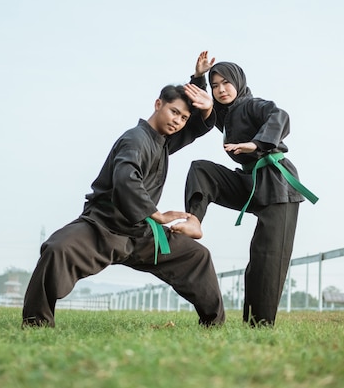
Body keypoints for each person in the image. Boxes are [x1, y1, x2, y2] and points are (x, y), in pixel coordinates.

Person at [22, 81, 225, 328]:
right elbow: (125, 178)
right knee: (56, 249)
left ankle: (213, 326)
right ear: (158, 104)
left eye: (183, 118)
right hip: (104, 228)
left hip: (142, 234)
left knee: (197, 256)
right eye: (174, 112)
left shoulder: (163, 141)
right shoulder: (135, 139)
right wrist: (156, 214)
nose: (177, 121)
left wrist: (199, 84)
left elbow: (194, 127)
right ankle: (36, 324)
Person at [172, 51, 318, 327]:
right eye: (215, 86)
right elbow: (202, 107)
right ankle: (194, 220)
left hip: (278, 186)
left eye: (226, 83)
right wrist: (198, 78)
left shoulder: (252, 105)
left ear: (238, 83)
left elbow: (280, 115)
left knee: (264, 261)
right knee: (201, 169)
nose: (220, 90)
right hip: (249, 182)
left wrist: (257, 144)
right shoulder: (225, 117)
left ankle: (258, 326)